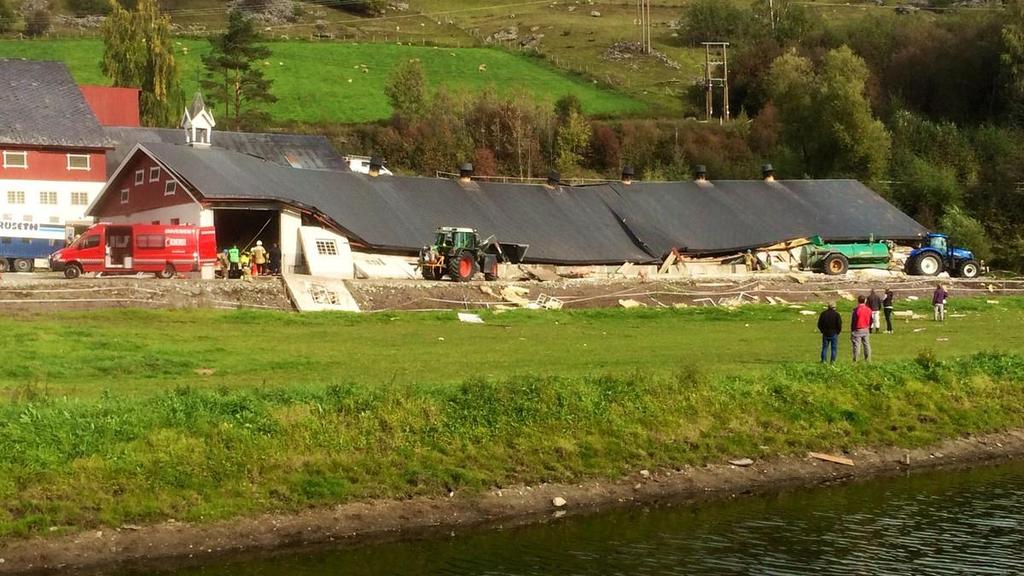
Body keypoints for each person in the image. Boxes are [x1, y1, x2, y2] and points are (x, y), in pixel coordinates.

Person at [850, 295, 872, 362]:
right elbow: (871, 319)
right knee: (866, 344)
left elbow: (854, 320)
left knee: (857, 345)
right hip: (866, 328)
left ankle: (856, 359)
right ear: (865, 301)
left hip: (858, 328)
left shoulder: (856, 310)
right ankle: (868, 359)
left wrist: (852, 330)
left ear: (858, 301)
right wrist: (869, 326)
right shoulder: (869, 309)